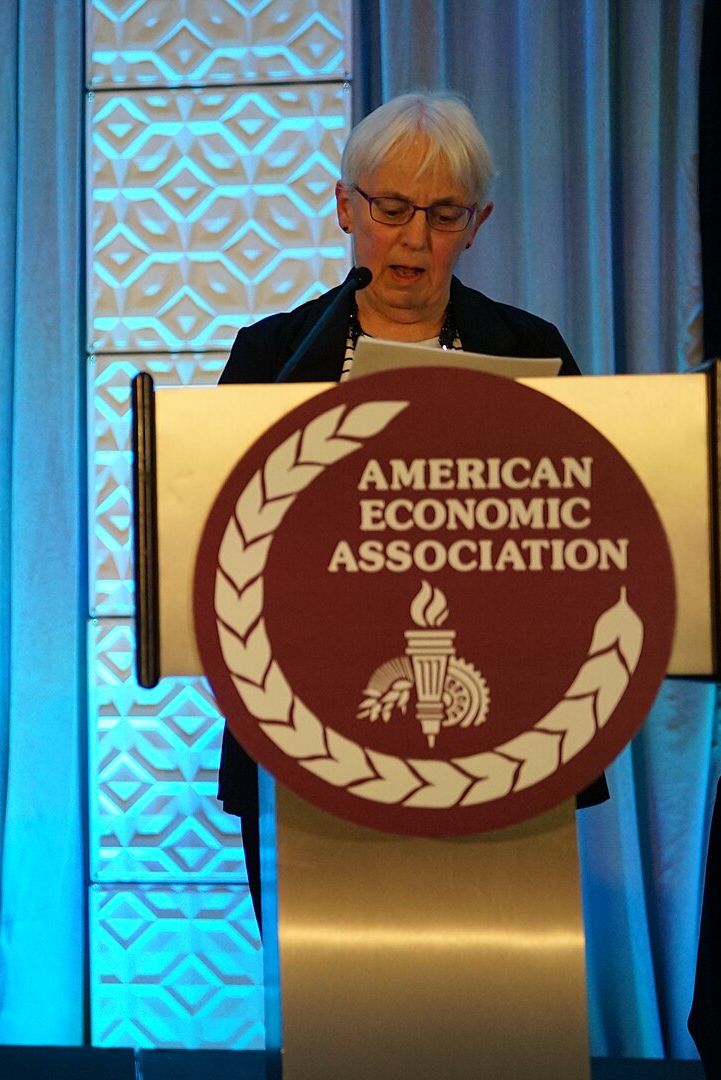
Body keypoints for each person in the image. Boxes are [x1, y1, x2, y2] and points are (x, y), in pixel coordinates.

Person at [215, 90, 598, 918]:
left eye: (445, 214)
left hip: (508, 724)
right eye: (391, 209)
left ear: (479, 222)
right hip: (303, 723)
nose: (416, 241)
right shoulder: (275, 356)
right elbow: (215, 543)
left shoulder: (533, 352)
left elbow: (593, 537)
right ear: (344, 208)